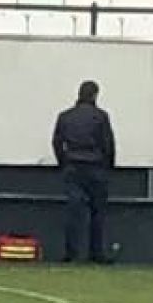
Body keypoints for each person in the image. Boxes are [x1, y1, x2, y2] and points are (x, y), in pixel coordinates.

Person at [52, 79, 116, 264]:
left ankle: (71, 253)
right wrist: (108, 166)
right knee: (97, 212)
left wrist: (63, 162)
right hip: (95, 167)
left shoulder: (65, 116)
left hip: (73, 166)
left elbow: (57, 142)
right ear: (95, 95)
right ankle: (96, 253)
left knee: (73, 211)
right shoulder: (101, 117)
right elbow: (108, 144)